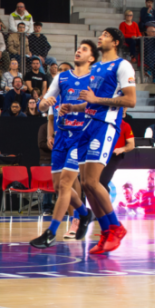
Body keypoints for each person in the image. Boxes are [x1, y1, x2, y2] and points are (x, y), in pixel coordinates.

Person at [69, 29, 135, 254]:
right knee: (86, 184)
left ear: (115, 42)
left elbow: (131, 100)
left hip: (105, 125)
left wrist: (96, 99)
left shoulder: (122, 65)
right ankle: (106, 231)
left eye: (106, 35)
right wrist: (74, 107)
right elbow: (91, 102)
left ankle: (116, 226)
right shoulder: (95, 67)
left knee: (94, 182)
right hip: (87, 124)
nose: (101, 37)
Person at [33, 39, 98, 248]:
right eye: (78, 48)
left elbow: (100, 106)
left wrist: (79, 107)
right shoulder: (61, 77)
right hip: (61, 135)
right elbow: (41, 106)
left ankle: (51, 233)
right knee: (57, 186)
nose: (79, 51)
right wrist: (46, 103)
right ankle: (84, 213)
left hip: (81, 136)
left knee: (65, 185)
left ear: (92, 58)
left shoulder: (96, 79)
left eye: (84, 49)